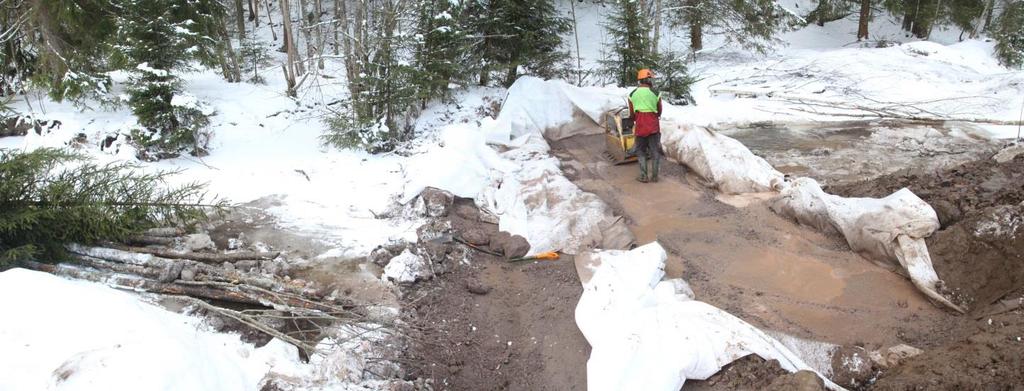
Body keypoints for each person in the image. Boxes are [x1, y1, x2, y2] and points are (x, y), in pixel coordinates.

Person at [628, 68, 663, 183]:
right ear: (647, 80)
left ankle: (643, 176)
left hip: (640, 126)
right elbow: (659, 110)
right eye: (650, 79)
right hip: (653, 126)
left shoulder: (632, 94)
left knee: (640, 151)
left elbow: (632, 113)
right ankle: (655, 177)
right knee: (655, 151)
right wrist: (653, 115)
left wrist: (635, 119)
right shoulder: (655, 93)